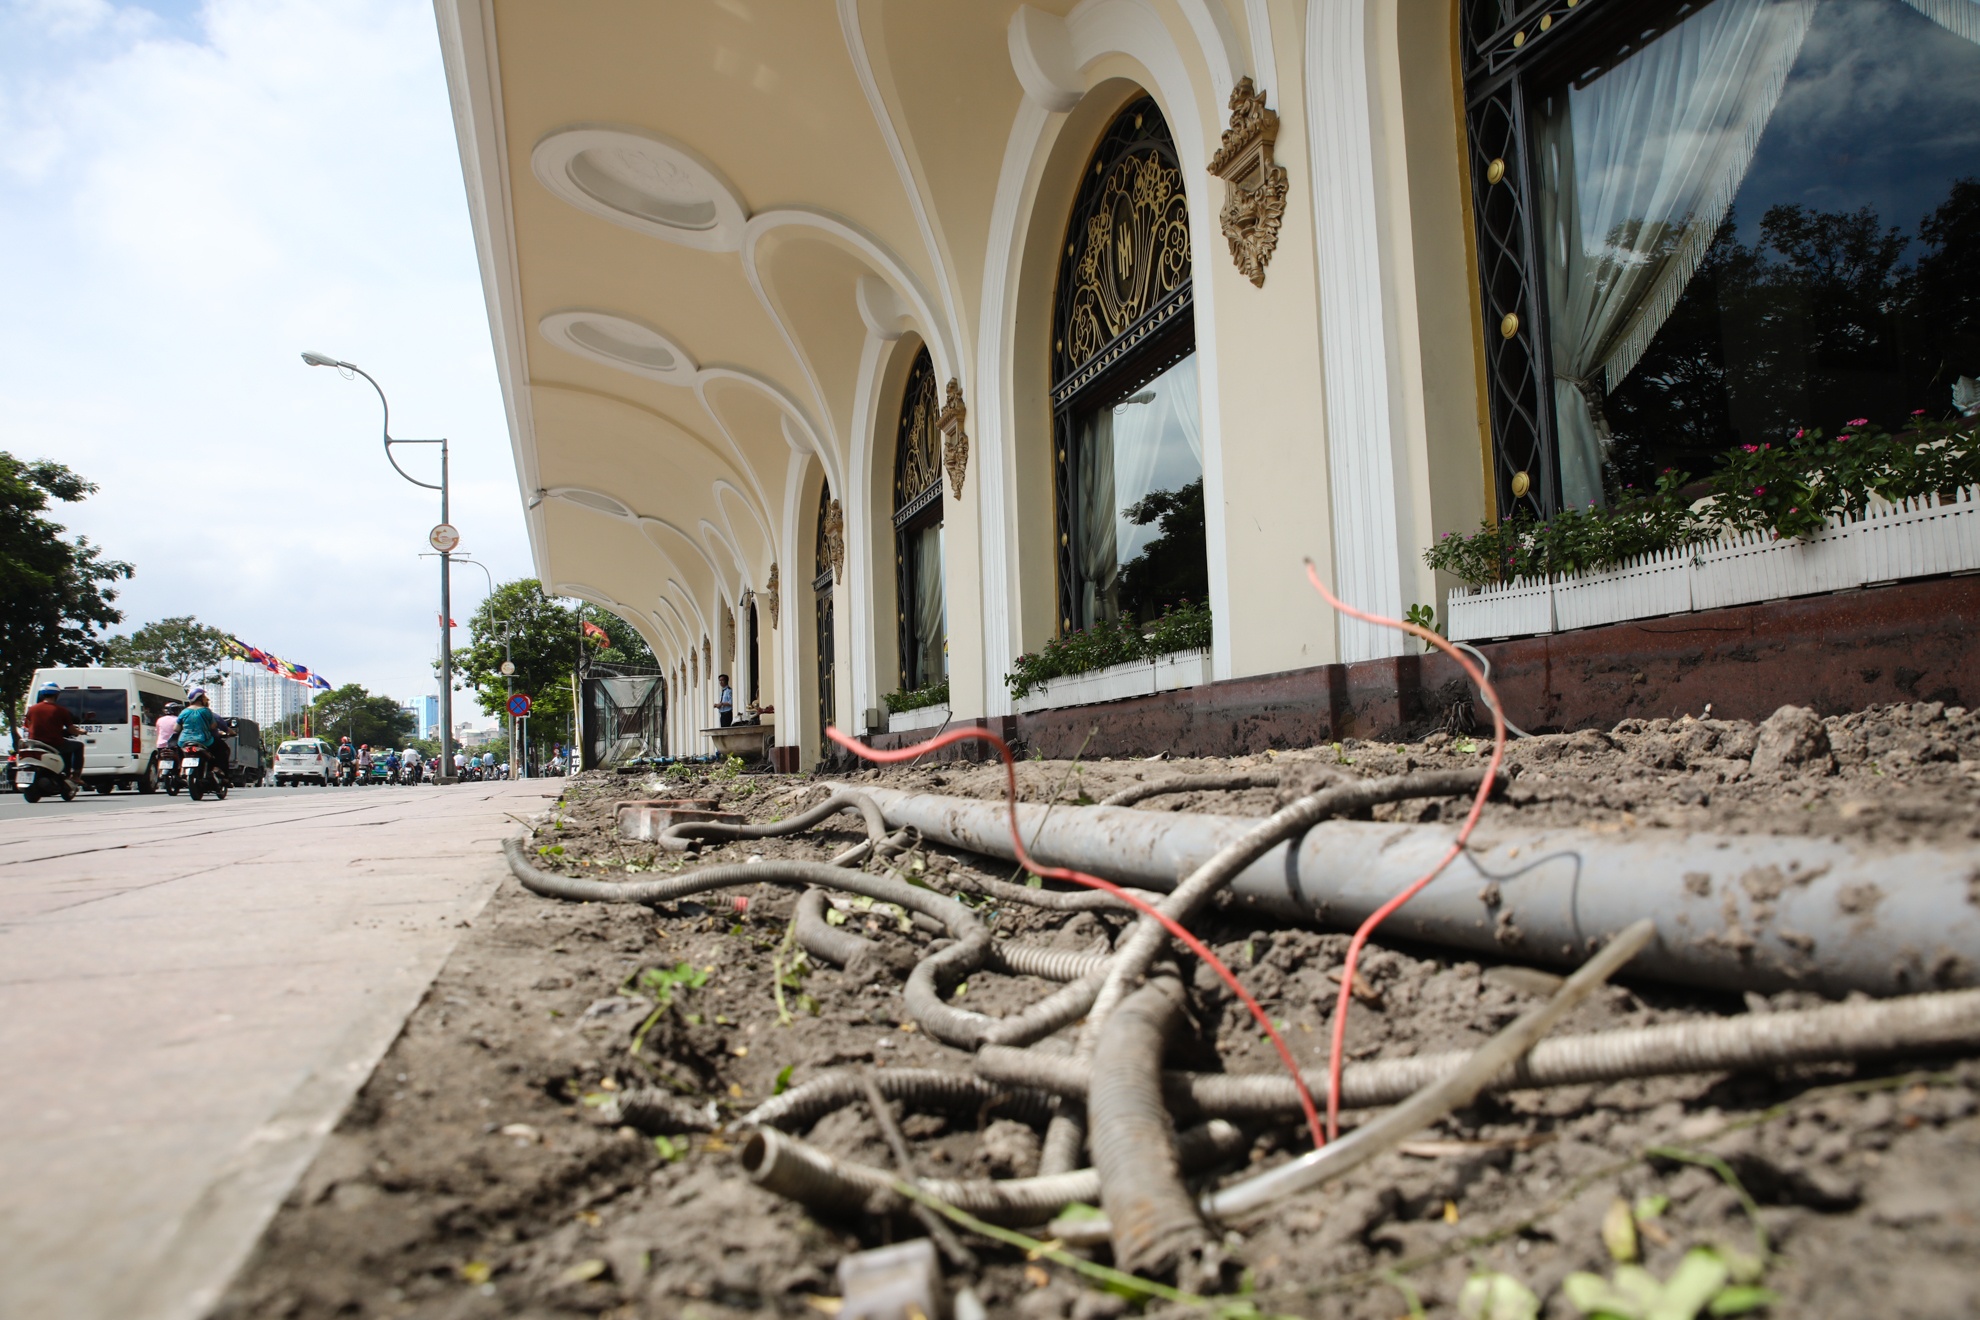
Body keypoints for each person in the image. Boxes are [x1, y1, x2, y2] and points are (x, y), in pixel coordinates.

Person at [23, 684, 85, 781]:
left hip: (35, 743)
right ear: (57, 695)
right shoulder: (61, 710)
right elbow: (71, 730)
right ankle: (75, 776)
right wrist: (81, 731)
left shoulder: (32, 709)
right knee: (79, 746)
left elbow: (27, 725)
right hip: (54, 743)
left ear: (42, 695)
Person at [175, 688, 231, 781]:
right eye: (204, 697)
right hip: (203, 740)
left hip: (183, 741)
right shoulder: (206, 711)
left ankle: (181, 768)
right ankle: (219, 769)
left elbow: (176, 728)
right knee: (222, 749)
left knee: (178, 750)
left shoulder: (184, 712)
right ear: (200, 698)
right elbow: (213, 726)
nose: (206, 699)